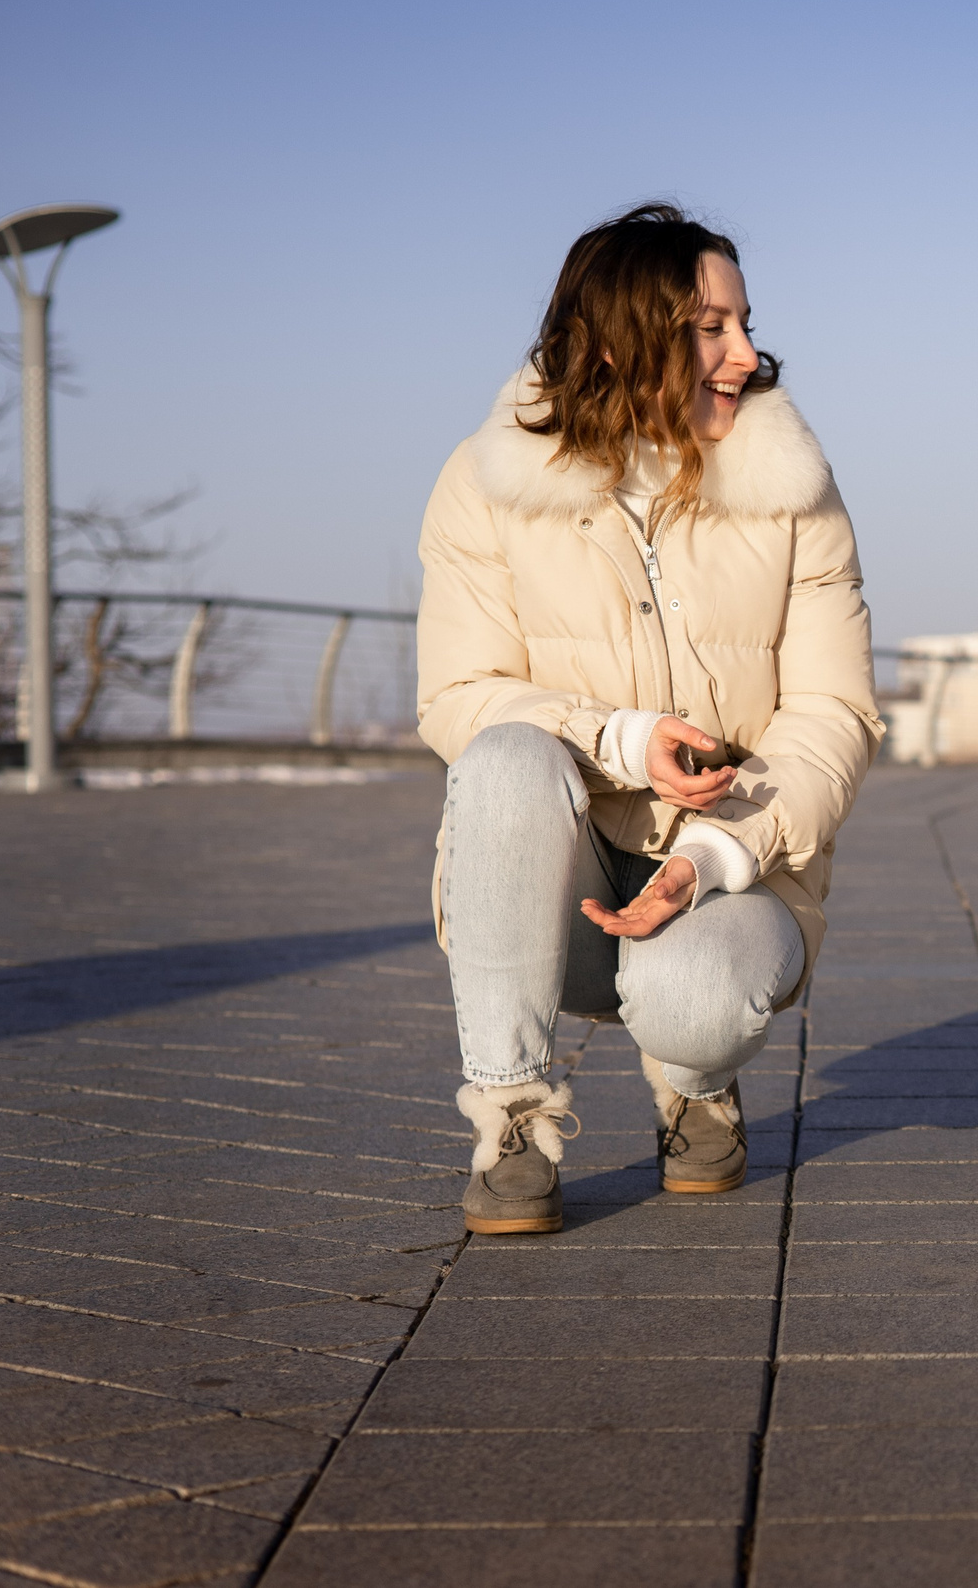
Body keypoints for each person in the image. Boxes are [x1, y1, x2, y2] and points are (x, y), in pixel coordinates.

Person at [415, 203, 881, 1234]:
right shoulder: (484, 486)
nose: (747, 355)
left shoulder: (792, 489)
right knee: (500, 757)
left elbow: (835, 711)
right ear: (624, 336)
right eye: (712, 328)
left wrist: (717, 852)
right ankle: (511, 1114)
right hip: (558, 875)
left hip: (732, 857)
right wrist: (618, 737)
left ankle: (694, 1080)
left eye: (745, 324)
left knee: (693, 999)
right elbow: (457, 694)